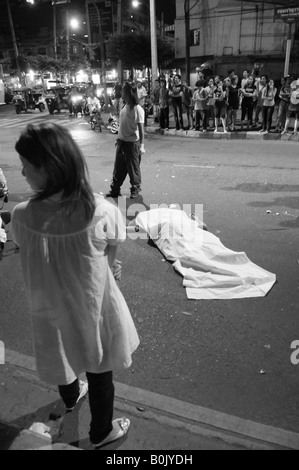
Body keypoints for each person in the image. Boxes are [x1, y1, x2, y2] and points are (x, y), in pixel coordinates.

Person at [11, 122, 139, 449]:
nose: (22, 172)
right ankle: (101, 433)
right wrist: (106, 269)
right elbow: (111, 258)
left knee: (61, 352)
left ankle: (70, 397)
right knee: (99, 372)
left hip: (52, 312)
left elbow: (37, 258)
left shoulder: (23, 217)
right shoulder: (101, 211)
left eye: (27, 166)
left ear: (50, 167)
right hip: (93, 312)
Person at [106, 81, 145, 199]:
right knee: (118, 168)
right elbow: (122, 125)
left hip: (132, 144)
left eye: (123, 90)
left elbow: (141, 129)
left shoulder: (138, 109)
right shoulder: (124, 106)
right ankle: (115, 190)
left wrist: (142, 145)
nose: (121, 92)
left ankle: (135, 189)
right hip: (121, 142)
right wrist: (119, 138)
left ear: (129, 93)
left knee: (133, 169)